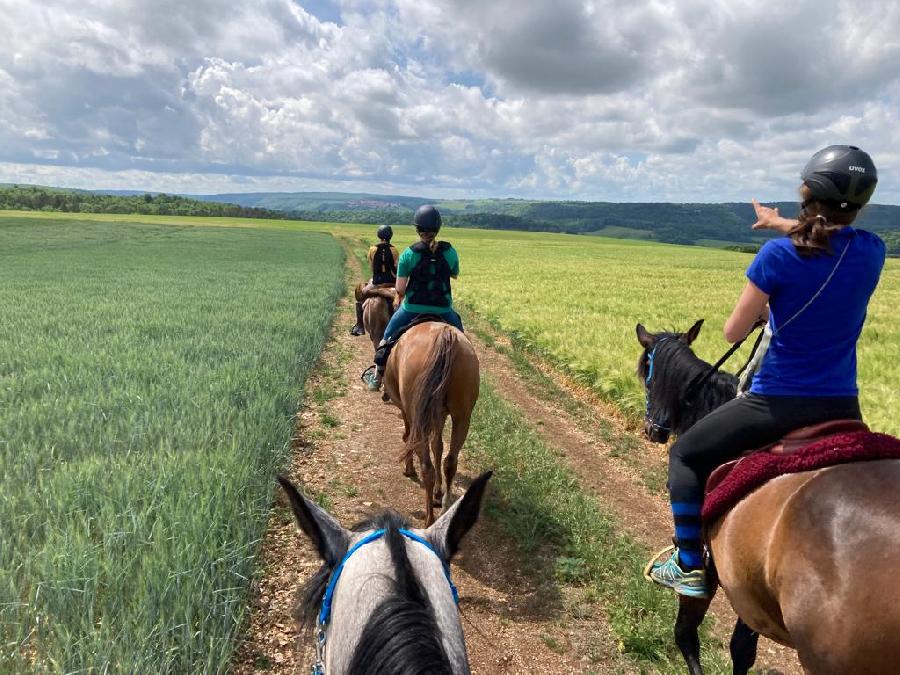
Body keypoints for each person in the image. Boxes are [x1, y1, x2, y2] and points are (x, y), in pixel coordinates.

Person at [647, 145, 886, 598]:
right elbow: (828, 240)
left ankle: (689, 565)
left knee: (686, 456)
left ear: (807, 191)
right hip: (844, 404)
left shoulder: (776, 256)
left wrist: (768, 307)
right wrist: (779, 223)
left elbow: (733, 332)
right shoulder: (872, 251)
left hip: (776, 403)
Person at [364, 205, 463, 389]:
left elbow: (400, 289)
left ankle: (377, 377)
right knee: (465, 344)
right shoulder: (449, 251)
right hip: (444, 309)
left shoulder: (409, 254)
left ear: (417, 229)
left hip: (412, 309)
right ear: (438, 228)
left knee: (386, 337)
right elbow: (454, 273)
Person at [350, 225, 399, 336]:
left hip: (376, 283)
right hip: (392, 283)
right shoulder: (394, 249)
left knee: (360, 296)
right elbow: (396, 267)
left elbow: (372, 268)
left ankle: (360, 325)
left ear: (379, 235)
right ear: (390, 235)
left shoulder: (372, 249)